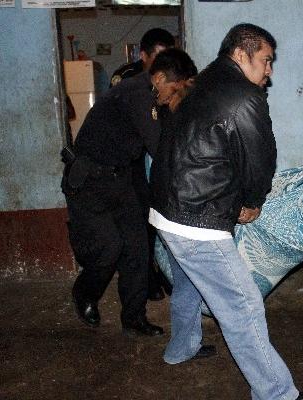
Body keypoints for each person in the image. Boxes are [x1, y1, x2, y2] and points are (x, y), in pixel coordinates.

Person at [149, 24, 303, 400]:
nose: (270, 70)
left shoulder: (202, 81)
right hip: (196, 218)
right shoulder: (244, 97)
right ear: (242, 54)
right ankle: (277, 394)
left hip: (165, 207)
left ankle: (181, 348)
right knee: (242, 305)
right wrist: (252, 203)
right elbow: (260, 160)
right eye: (266, 60)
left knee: (187, 281)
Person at [63, 48, 197, 337]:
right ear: (159, 78)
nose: (174, 96)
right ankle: (84, 292)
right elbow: (160, 148)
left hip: (120, 178)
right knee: (108, 248)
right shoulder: (138, 94)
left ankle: (134, 319)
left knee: (137, 248)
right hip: (89, 181)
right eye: (174, 89)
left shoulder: (154, 96)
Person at [110, 28, 178, 301]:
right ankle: (148, 278)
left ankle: (165, 275)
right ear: (143, 56)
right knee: (142, 225)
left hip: (156, 153)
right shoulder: (127, 79)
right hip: (134, 161)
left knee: (163, 222)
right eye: (158, 58)